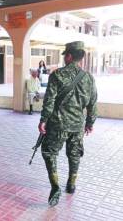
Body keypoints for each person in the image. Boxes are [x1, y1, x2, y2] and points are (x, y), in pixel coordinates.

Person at [38, 41, 97, 207]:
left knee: (49, 152)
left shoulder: (57, 75)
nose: (65, 58)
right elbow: (93, 103)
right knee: (75, 154)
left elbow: (49, 101)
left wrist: (43, 120)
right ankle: (71, 183)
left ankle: (55, 186)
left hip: (58, 125)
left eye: (66, 55)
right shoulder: (89, 78)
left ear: (70, 56)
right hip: (78, 126)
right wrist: (90, 123)